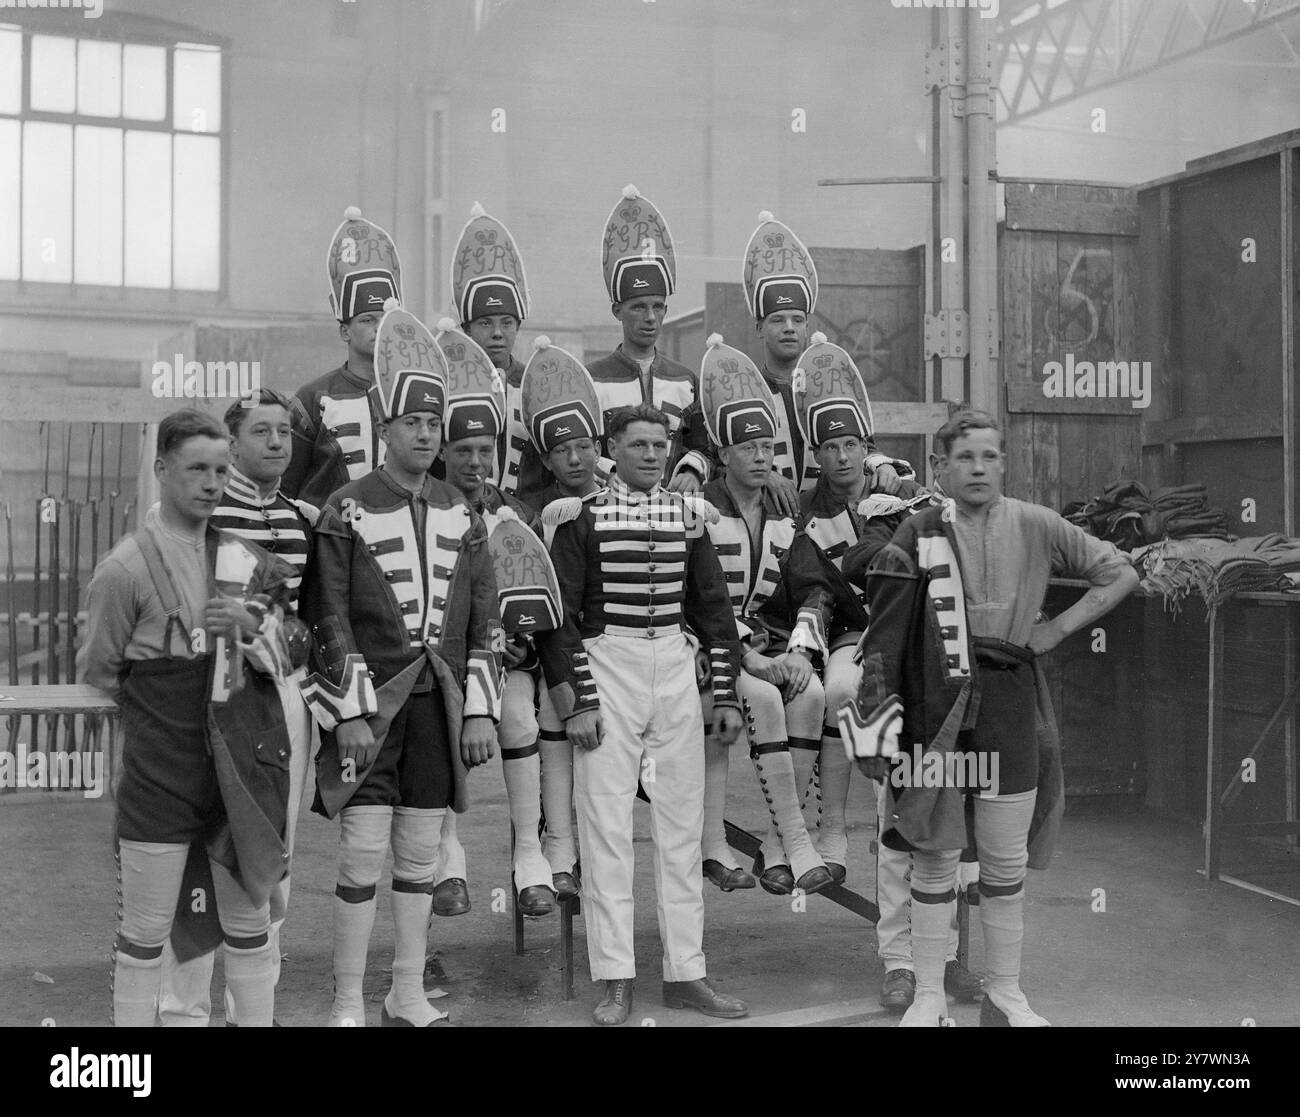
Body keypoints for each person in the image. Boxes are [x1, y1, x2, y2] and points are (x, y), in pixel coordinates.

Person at [845, 409, 1138, 1027]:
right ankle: (928, 995)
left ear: (1004, 463)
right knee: (934, 855)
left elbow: (1120, 571)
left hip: (1009, 704)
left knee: (1004, 862)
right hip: (935, 713)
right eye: (964, 458)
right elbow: (883, 640)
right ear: (939, 468)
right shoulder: (916, 532)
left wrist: (1055, 628)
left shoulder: (1036, 523)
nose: (978, 468)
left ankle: (1006, 994)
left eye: (990, 457)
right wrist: (879, 729)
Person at [299, 304, 503, 1026]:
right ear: (385, 427)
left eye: (433, 423)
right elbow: (326, 614)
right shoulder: (343, 510)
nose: (424, 434)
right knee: (360, 854)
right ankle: (347, 997)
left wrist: (479, 706)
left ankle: (405, 988)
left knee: (420, 852)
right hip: (370, 711)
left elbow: (487, 620)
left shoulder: (463, 512)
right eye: (411, 423)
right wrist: (348, 710)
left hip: (437, 706)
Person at [79, 408, 301, 1028]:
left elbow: (298, 654)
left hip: (240, 775)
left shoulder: (246, 560)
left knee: (250, 922)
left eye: (221, 470)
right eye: (196, 469)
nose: (210, 482)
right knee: (145, 931)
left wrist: (257, 630)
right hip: (161, 775)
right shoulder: (123, 568)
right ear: (161, 470)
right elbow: (99, 670)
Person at [538, 403, 749, 1026]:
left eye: (660, 445)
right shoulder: (581, 517)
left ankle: (687, 972)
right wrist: (576, 700)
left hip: (675, 670)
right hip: (609, 665)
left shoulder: (691, 516)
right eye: (639, 445)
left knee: (681, 828)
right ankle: (616, 977)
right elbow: (561, 617)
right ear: (614, 448)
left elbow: (714, 609)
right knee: (604, 827)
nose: (653, 455)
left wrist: (726, 693)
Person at [157, 389, 319, 1026]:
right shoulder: (186, 521)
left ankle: (254, 1011)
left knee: (269, 862)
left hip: (279, 700)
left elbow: (314, 621)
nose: (277, 443)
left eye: (285, 432)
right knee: (195, 859)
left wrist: (274, 644)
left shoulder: (304, 518)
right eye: (261, 431)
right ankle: (181, 1012)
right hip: (205, 698)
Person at [695, 335, 833, 897]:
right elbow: (695, 603)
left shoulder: (783, 511)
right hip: (703, 645)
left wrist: (800, 648)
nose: (760, 457)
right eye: (747, 447)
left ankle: (776, 851)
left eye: (768, 447)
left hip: (764, 642)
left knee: (815, 695)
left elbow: (814, 587)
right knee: (765, 696)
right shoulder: (701, 510)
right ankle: (798, 841)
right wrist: (751, 658)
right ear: (723, 453)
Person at [781, 333, 915, 884]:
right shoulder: (806, 511)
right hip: (848, 636)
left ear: (867, 448)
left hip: (903, 634)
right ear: (816, 454)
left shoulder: (901, 493)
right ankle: (831, 827)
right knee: (839, 692)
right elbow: (812, 589)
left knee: (912, 715)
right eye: (830, 448)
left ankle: (897, 836)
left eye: (851, 446)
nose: (841, 457)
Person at [435, 320, 555, 915]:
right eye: (463, 451)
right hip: (439, 663)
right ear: (441, 451)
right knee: (433, 721)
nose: (477, 462)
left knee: (517, 718)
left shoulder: (521, 515)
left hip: (504, 667)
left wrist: (525, 650)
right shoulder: (423, 511)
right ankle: (446, 855)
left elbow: (539, 602)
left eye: (486, 451)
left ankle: (529, 853)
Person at [739, 211, 908, 511]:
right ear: (759, 327)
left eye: (797, 319)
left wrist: (880, 465)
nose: (789, 327)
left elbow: (858, 445)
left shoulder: (830, 380)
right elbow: (721, 458)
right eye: (778, 319)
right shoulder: (745, 390)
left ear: (807, 325)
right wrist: (765, 475)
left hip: (828, 520)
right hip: (764, 517)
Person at [522, 337, 609, 895]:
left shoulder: (627, 497)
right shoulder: (536, 515)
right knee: (555, 710)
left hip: (621, 648)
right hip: (557, 652)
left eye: (582, 446)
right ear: (546, 458)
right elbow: (544, 610)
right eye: (561, 451)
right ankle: (558, 847)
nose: (574, 459)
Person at [588, 185, 710, 490]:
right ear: (618, 310)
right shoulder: (591, 378)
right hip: (611, 508)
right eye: (639, 307)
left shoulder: (685, 380)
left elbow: (705, 446)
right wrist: (613, 472)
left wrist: (692, 471)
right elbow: (580, 448)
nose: (650, 317)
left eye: (658, 306)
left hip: (673, 511)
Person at [281, 206, 402, 508]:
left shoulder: (409, 390)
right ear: (345, 332)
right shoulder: (313, 398)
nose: (378, 328)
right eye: (367, 320)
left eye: (384, 319)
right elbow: (285, 484)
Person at [449, 201, 552, 508]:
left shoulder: (537, 383)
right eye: (485, 323)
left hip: (529, 517)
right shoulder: (448, 381)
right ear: (467, 329)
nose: (497, 333)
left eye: (506, 323)